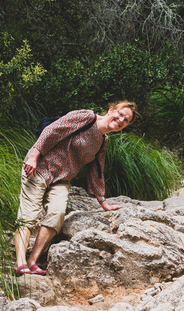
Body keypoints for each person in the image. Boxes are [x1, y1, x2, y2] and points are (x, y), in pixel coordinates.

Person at [13, 100, 137, 276]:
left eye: (126, 120)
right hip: (39, 167)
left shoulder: (103, 140)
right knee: (29, 215)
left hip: (61, 179)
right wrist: (34, 154)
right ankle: (20, 263)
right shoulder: (87, 117)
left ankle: (33, 260)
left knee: (56, 215)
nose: (121, 120)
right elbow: (52, 130)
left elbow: (96, 170)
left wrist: (103, 202)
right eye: (120, 114)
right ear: (110, 110)